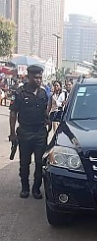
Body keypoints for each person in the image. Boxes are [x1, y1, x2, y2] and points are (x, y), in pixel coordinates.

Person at [8, 65, 50, 199]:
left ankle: (36, 188)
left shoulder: (43, 93)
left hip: (40, 133)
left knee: (40, 163)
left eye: (40, 77)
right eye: (35, 77)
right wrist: (13, 133)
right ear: (28, 77)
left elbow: (45, 111)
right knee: (24, 163)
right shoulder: (20, 92)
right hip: (25, 131)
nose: (38, 80)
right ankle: (25, 187)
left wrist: (48, 119)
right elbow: (13, 113)